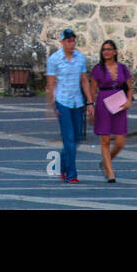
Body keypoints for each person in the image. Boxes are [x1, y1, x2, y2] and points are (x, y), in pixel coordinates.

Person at [45, 28, 92, 183]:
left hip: (77, 102)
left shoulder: (80, 58)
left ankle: (62, 165)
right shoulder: (54, 59)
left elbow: (84, 80)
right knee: (69, 139)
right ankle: (72, 174)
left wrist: (90, 101)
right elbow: (51, 84)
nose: (72, 44)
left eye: (73, 41)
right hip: (62, 101)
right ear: (62, 42)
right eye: (68, 41)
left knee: (77, 137)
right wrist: (52, 105)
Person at [90, 39, 132, 182]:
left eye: (109, 49)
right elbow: (92, 90)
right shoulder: (97, 69)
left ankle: (105, 163)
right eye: (104, 50)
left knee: (120, 141)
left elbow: (129, 87)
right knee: (105, 140)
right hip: (103, 104)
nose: (106, 52)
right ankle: (110, 171)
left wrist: (128, 100)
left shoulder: (123, 68)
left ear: (114, 52)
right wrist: (91, 106)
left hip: (119, 103)